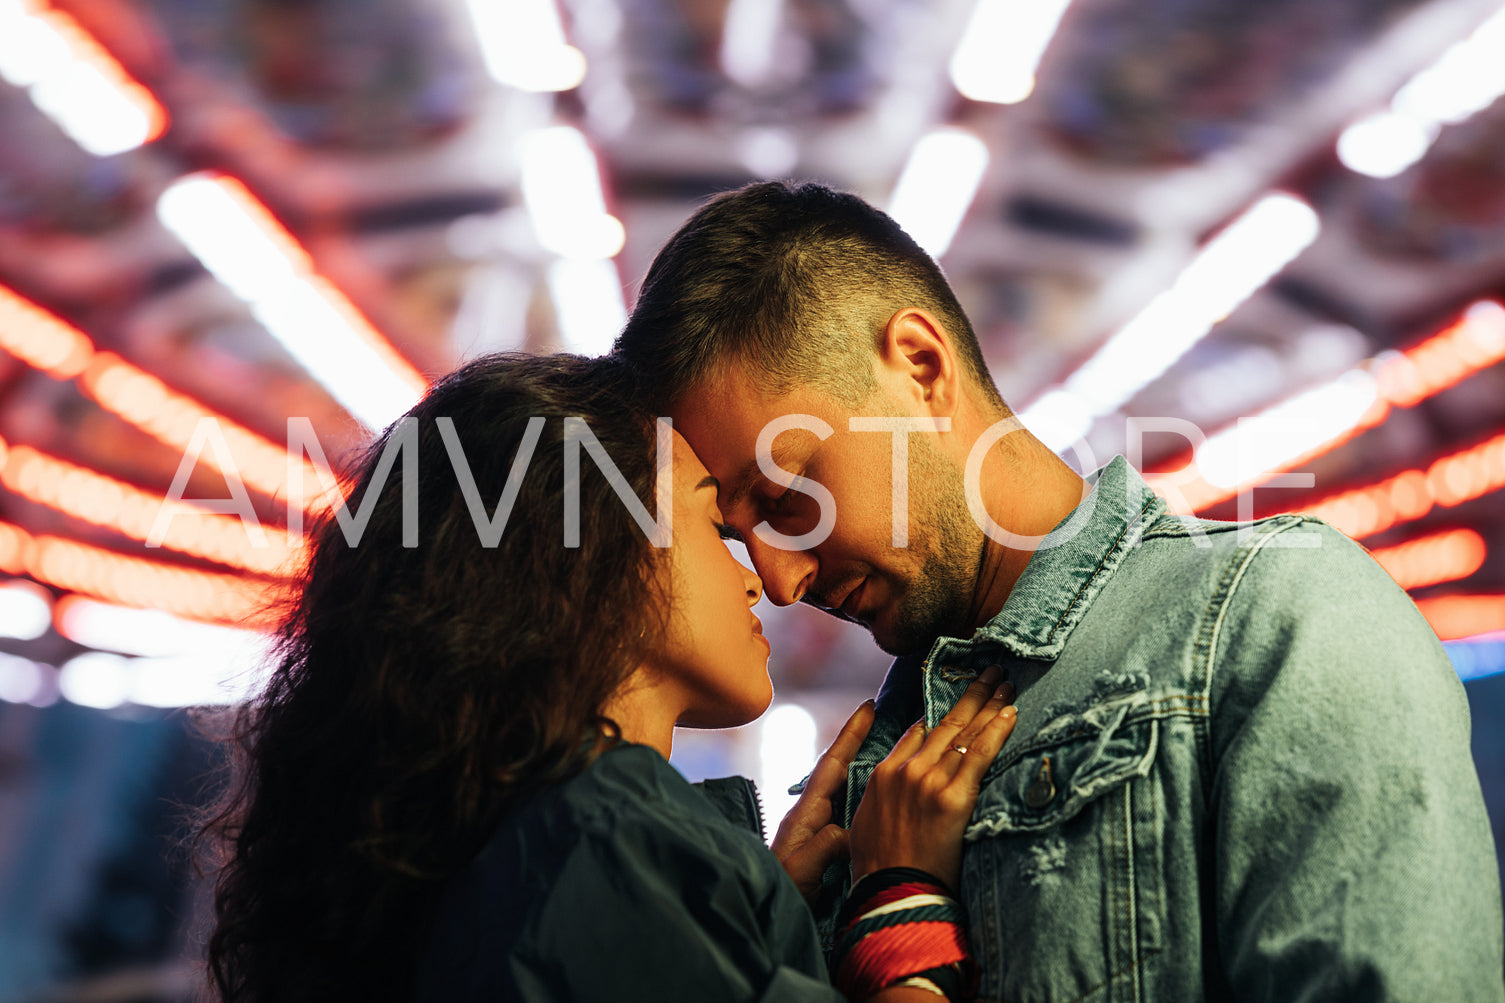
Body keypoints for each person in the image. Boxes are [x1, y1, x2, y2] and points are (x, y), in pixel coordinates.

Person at [614, 180, 1505, 1001]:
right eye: (741, 534)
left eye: (788, 496)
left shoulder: (1273, 613)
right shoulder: (855, 792)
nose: (778, 576)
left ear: (920, 366)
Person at [198, 352, 1020, 1003]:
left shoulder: (508, 833)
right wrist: (898, 899)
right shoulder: (603, 837)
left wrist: (751, 916)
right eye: (712, 524)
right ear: (594, 548)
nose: (762, 580)